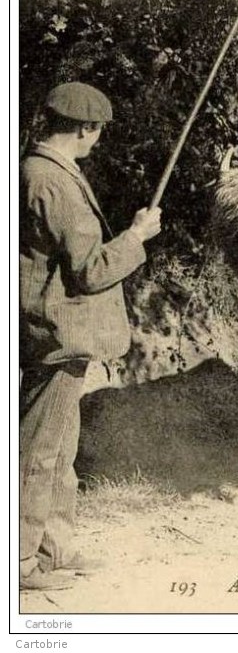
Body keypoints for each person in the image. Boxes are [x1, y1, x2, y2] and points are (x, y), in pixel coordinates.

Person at [19, 82, 162, 591]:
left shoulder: (36, 169)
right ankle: (19, 564)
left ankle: (53, 547)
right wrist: (136, 237)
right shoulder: (52, 182)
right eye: (97, 131)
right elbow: (90, 271)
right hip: (57, 336)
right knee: (37, 452)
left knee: (60, 448)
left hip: (52, 334)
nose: (97, 139)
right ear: (86, 129)